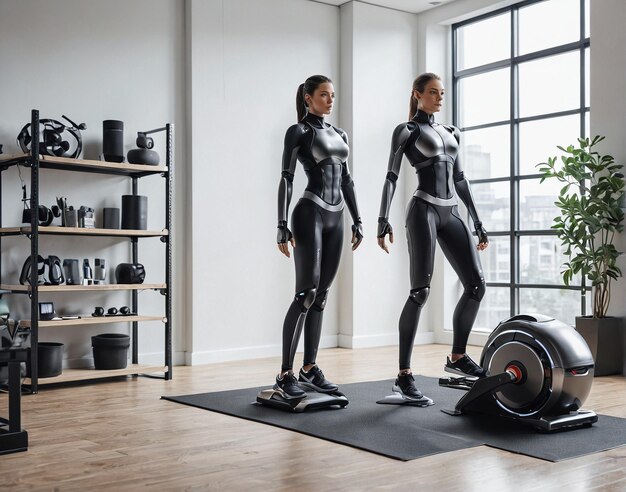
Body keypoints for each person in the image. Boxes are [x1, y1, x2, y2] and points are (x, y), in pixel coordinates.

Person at [377, 72, 489, 401]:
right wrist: (382, 218)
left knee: (477, 285)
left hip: (451, 211)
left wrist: (477, 221)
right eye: (432, 92)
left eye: (441, 93)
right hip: (423, 209)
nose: (439, 98)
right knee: (420, 291)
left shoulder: (451, 132)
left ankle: (456, 357)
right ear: (417, 95)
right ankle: (404, 375)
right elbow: (391, 176)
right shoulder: (408, 131)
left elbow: (461, 180)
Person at [274, 75, 363, 400]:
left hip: (336, 216)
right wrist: (281, 223)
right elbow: (286, 177)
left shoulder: (340, 134)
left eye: (332, 95)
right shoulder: (299, 131)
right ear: (308, 98)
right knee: (305, 294)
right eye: (323, 95)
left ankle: (309, 369)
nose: (330, 100)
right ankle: (285, 374)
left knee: (321, 296)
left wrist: (358, 219)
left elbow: (347, 180)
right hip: (309, 211)